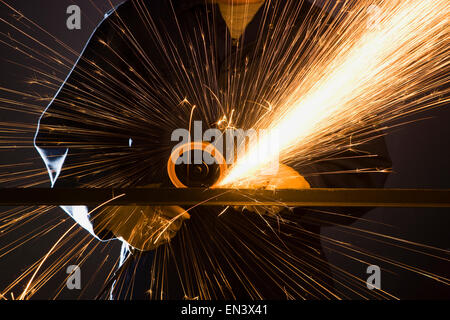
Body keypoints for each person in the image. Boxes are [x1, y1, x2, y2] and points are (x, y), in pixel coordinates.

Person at [35, 0, 391, 299]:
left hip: (284, 280)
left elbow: (364, 159)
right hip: (160, 281)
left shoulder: (318, 32)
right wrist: (112, 209)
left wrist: (303, 183)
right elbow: (66, 134)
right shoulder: (142, 19)